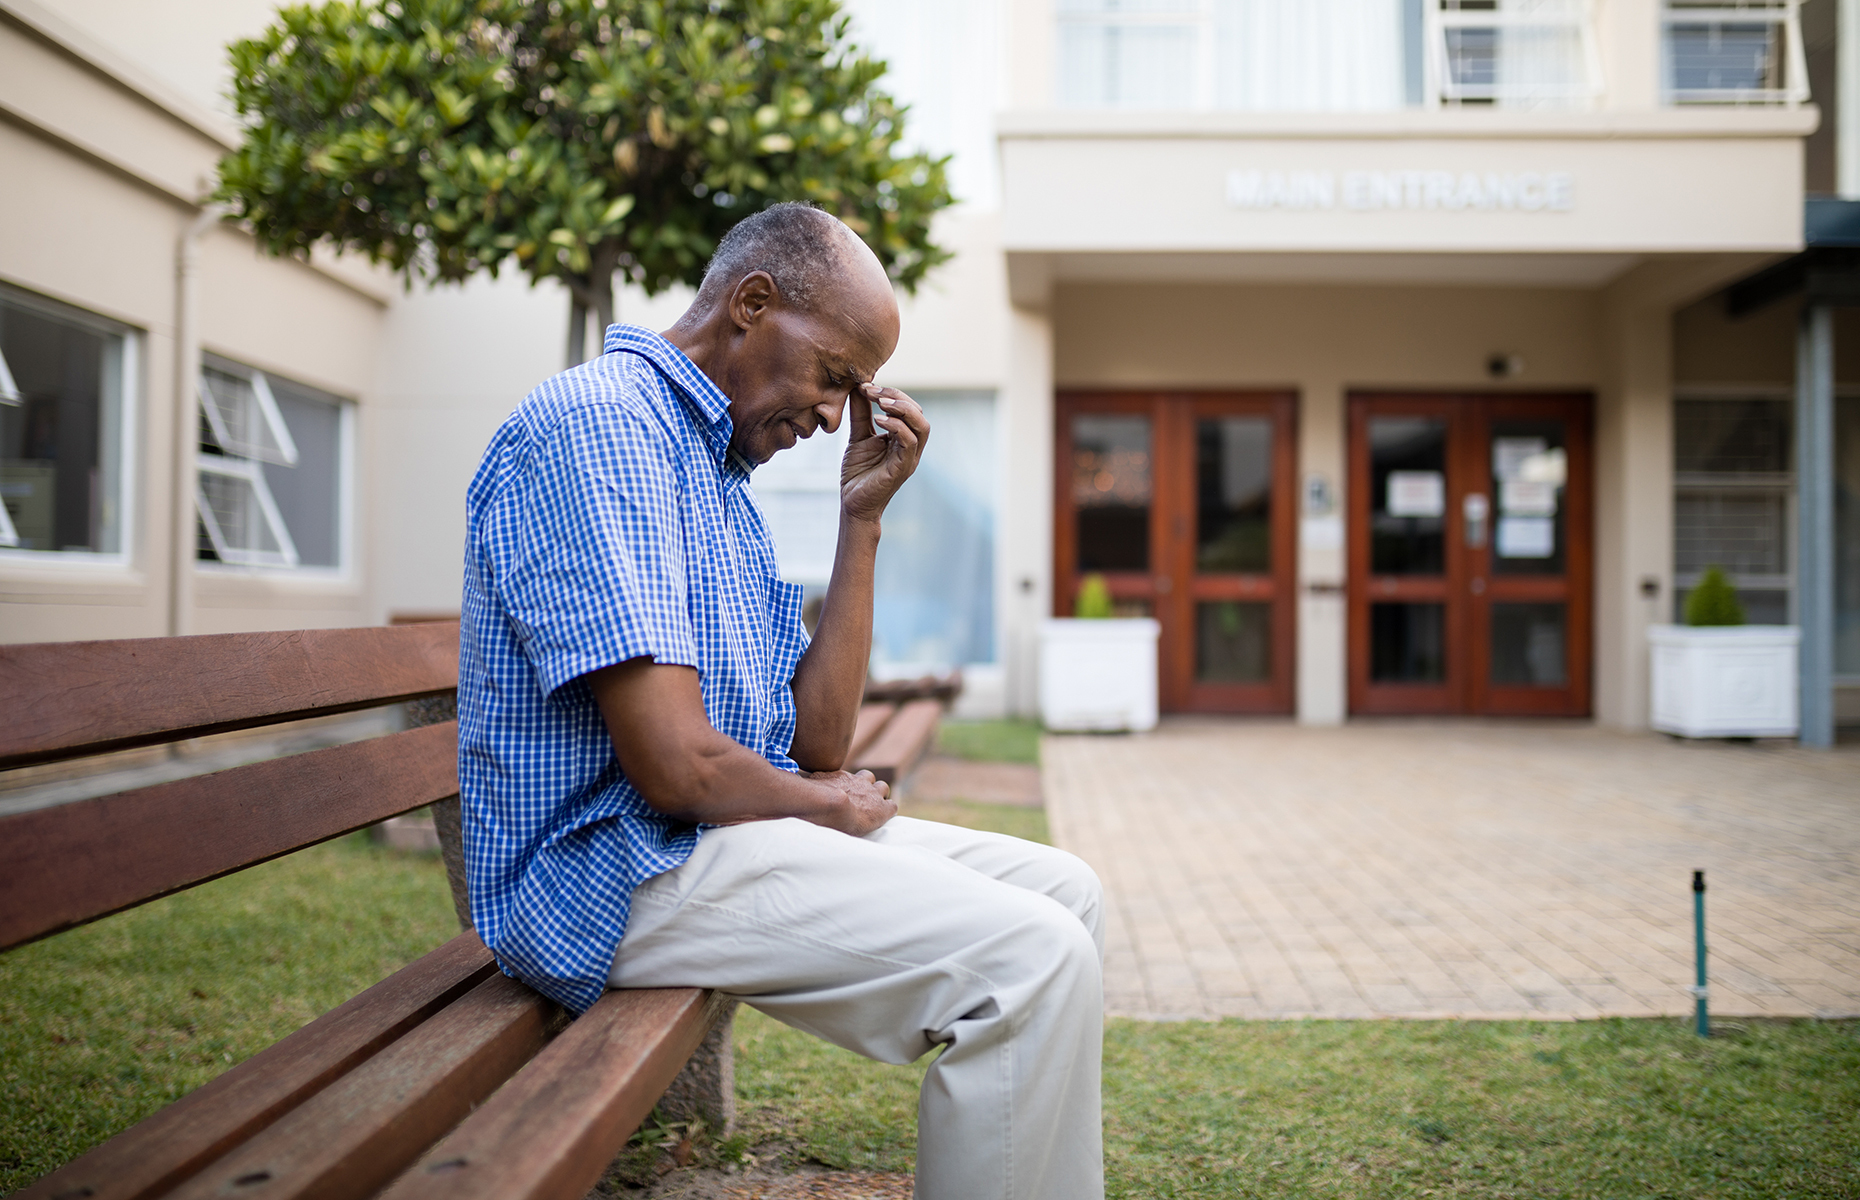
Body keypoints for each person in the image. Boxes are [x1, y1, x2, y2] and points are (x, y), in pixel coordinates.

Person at [458, 202, 1104, 1200]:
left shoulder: (713, 471)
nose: (837, 415)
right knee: (1033, 960)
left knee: (1070, 899)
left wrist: (862, 522)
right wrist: (828, 806)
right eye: (836, 376)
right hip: (608, 867)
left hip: (696, 839)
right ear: (753, 304)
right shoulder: (603, 430)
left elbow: (816, 738)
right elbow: (677, 765)